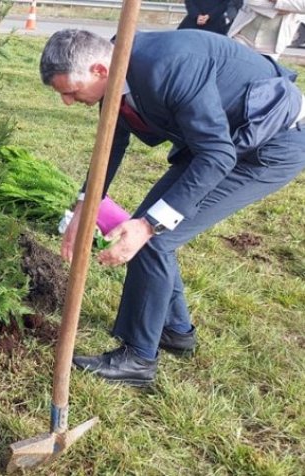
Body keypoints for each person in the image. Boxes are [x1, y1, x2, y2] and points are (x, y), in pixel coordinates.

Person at [39, 29, 305, 386]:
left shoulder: (168, 66)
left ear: (100, 71)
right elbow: (109, 147)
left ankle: (138, 359)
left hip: (269, 144)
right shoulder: (116, 68)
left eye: (70, 92)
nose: (68, 103)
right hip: (217, 142)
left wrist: (148, 226)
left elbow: (218, 155)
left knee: (153, 236)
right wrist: (81, 210)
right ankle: (176, 330)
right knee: (153, 229)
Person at [228, 0, 305, 59]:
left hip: (272, 46)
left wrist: (278, 2)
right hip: (241, 37)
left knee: (262, 76)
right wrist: (288, 8)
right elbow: (252, 2)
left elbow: (303, 6)